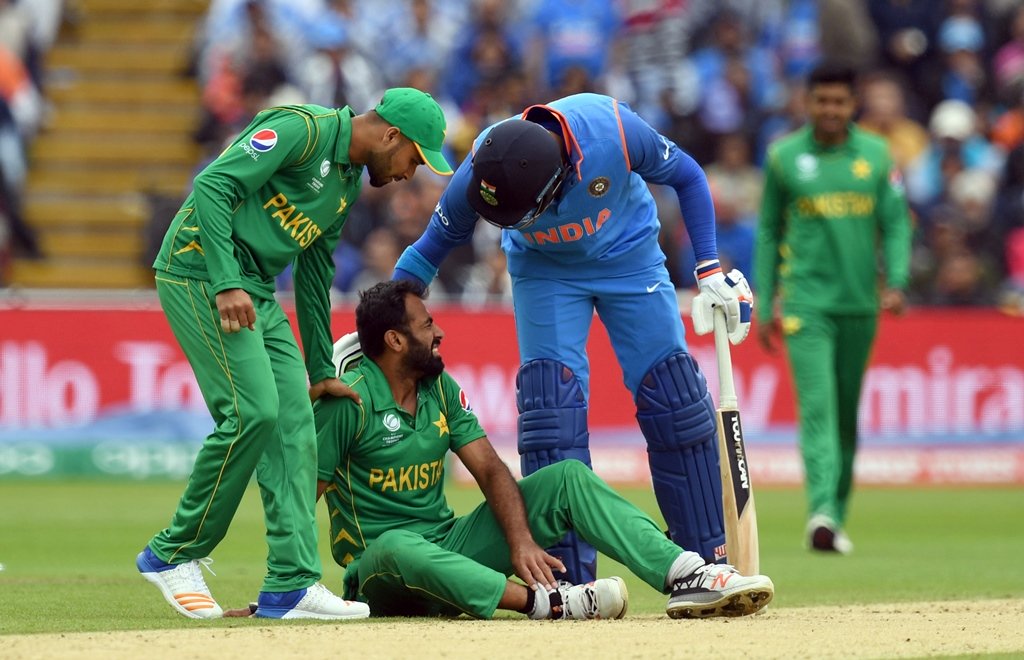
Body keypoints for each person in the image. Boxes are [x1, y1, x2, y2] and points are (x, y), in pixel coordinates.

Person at [390, 92, 754, 584]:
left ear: (560, 182)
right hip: (544, 272)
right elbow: (427, 252)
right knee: (550, 413)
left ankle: (706, 565)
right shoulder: (483, 165)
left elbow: (686, 174)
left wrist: (708, 266)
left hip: (629, 256)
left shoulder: (616, 132)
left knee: (675, 401)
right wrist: (379, 324)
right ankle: (572, 582)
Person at [136, 87, 453, 620]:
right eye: (413, 158)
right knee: (251, 412)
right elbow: (213, 185)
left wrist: (322, 370)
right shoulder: (300, 130)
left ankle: (291, 585)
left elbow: (313, 273)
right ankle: (173, 552)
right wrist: (226, 280)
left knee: (297, 426)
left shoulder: (347, 183)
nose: (409, 173)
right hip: (200, 273)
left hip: (254, 287)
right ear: (391, 135)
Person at [305, 280, 774, 620]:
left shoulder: (439, 389)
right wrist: (287, 587)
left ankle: (686, 574)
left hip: (447, 545)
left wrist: (520, 541)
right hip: (378, 571)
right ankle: (548, 603)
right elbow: (304, 498)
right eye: (427, 325)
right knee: (396, 545)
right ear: (394, 340)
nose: (439, 333)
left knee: (565, 477)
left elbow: (489, 470)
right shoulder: (349, 402)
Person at [754, 62, 912, 553]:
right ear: (808, 102)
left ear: (852, 105)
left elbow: (898, 222)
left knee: (846, 417)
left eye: (839, 102)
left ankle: (835, 518)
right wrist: (765, 302)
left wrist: (899, 280)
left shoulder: (877, 154)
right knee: (818, 409)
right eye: (821, 100)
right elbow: (768, 232)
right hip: (806, 303)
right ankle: (820, 508)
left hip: (859, 303)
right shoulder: (784, 157)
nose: (830, 110)